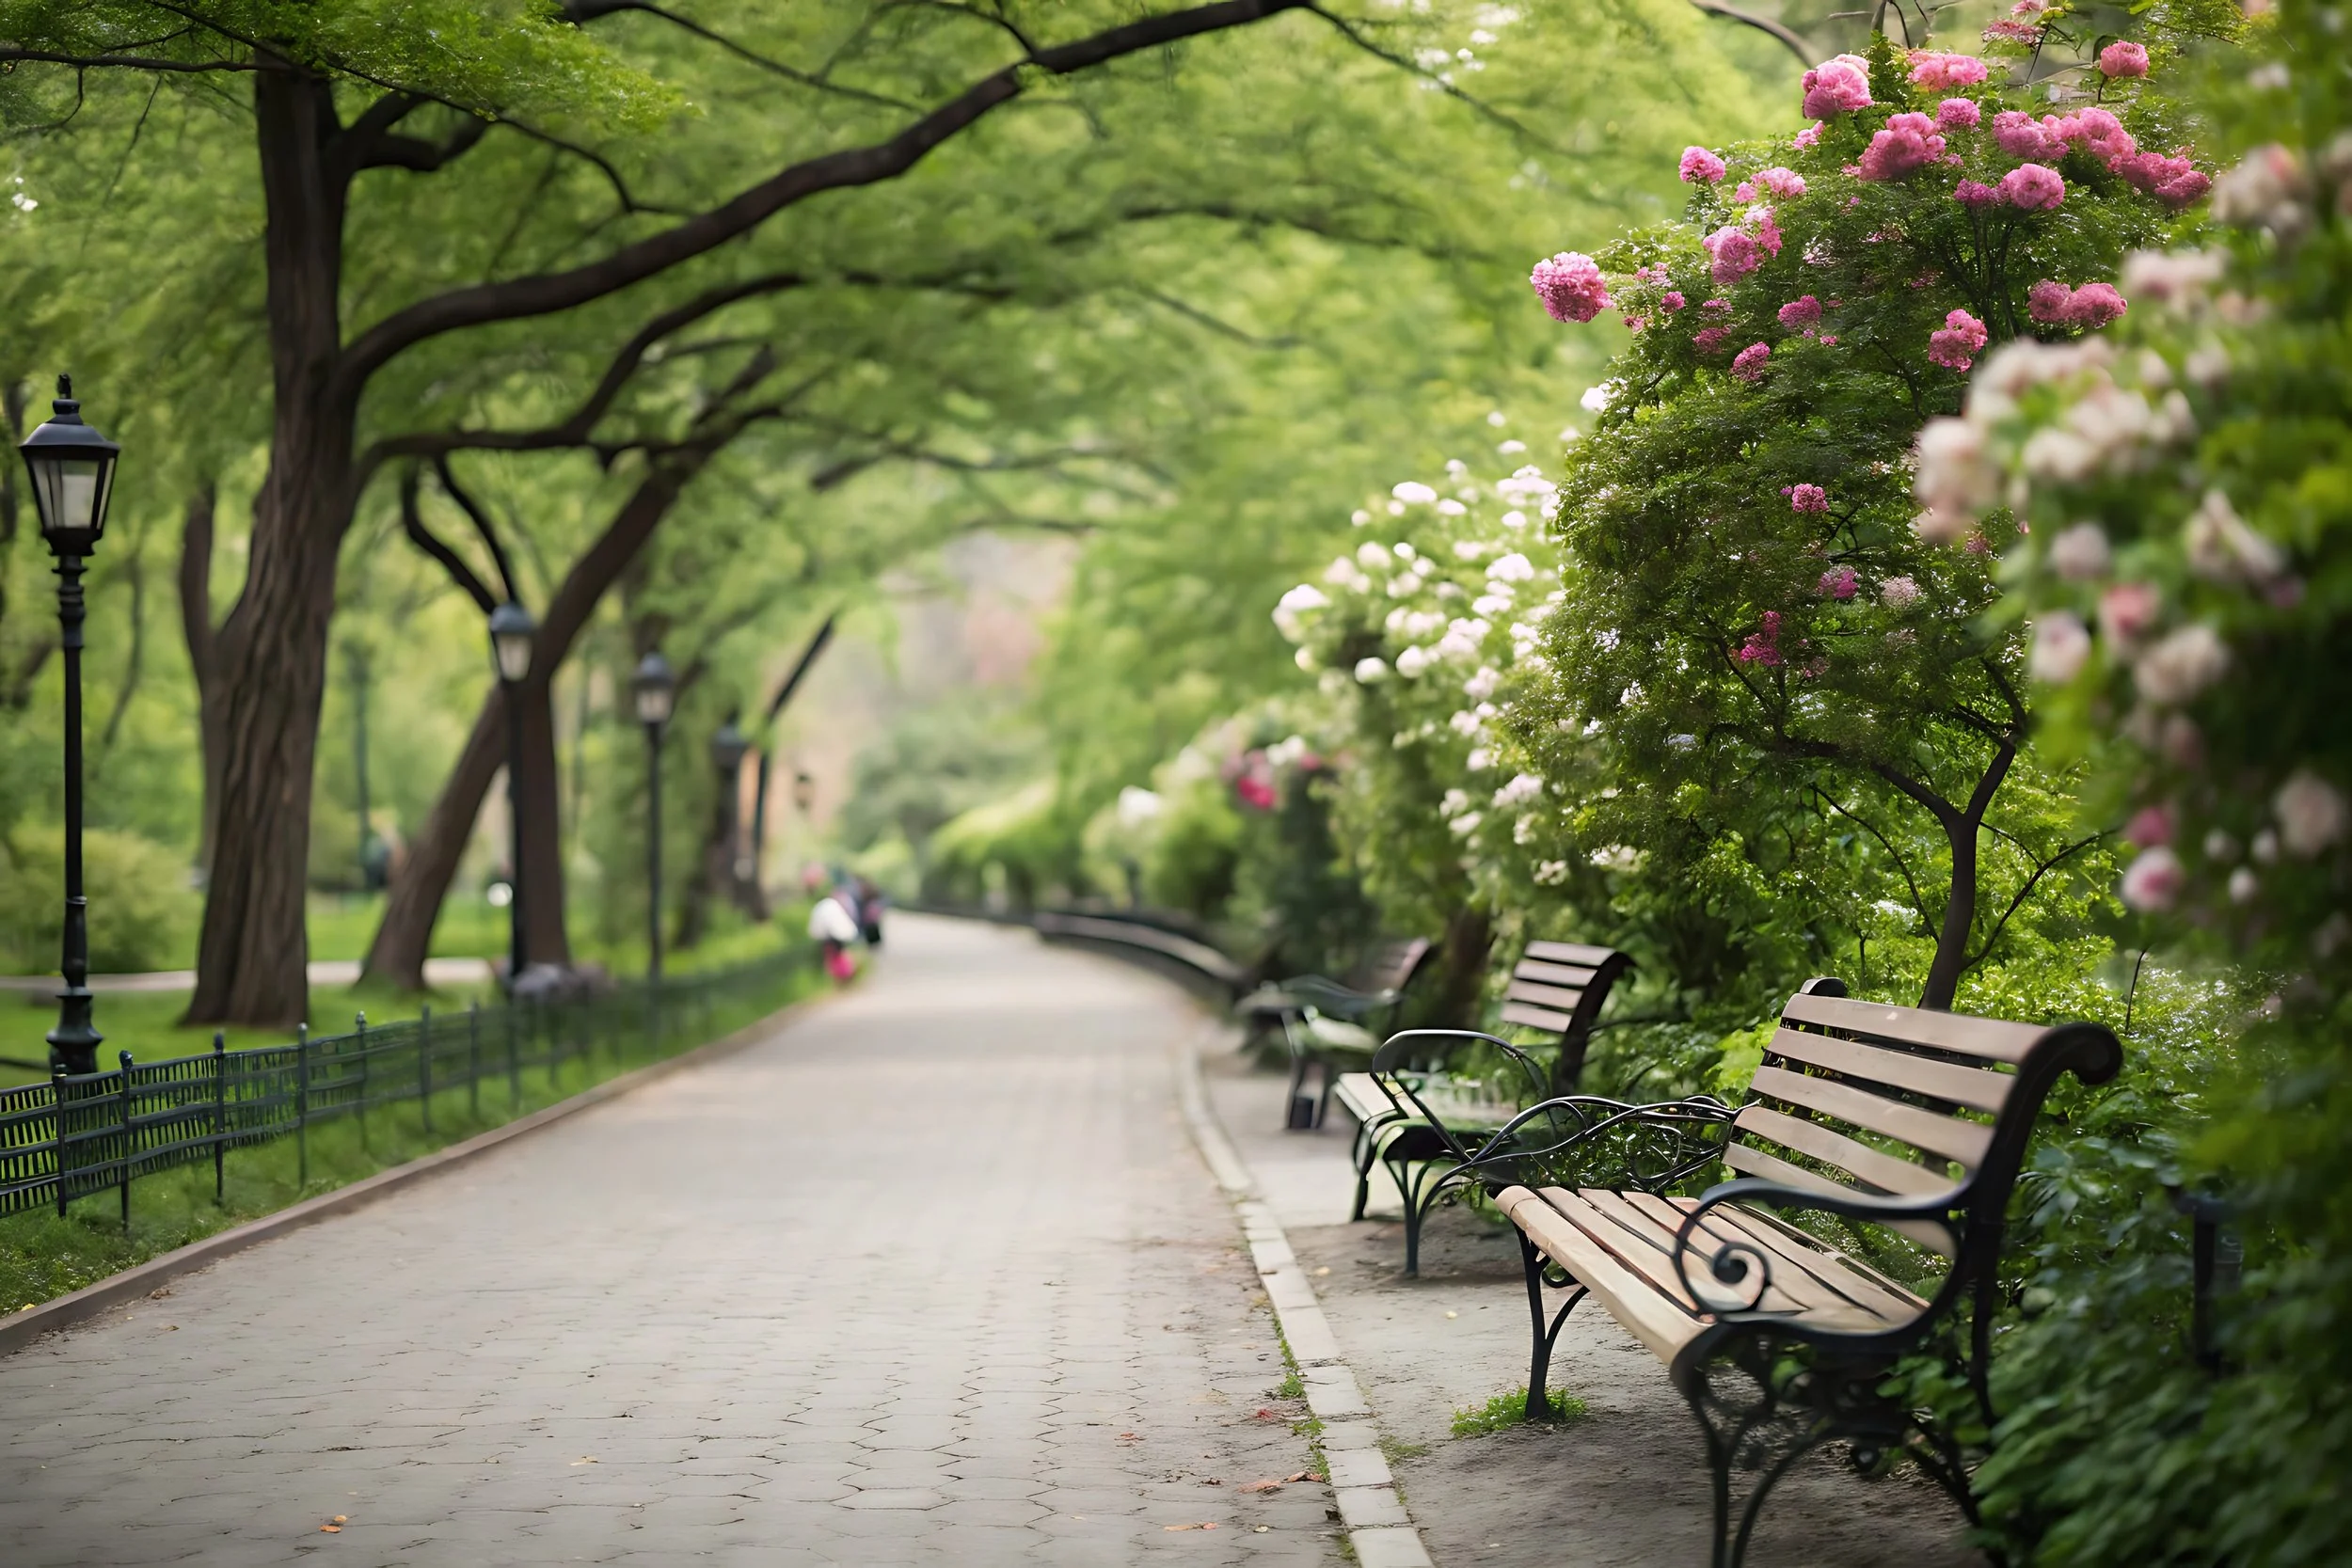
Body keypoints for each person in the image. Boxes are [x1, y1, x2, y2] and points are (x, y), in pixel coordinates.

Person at [807, 887, 861, 983]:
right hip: (837, 936)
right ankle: (846, 974)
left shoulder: (820, 907)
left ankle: (838, 976)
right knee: (840, 954)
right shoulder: (833, 905)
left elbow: (815, 927)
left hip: (826, 938)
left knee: (831, 957)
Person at [852, 875, 886, 948]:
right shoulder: (870, 888)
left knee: (871, 927)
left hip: (870, 911)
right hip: (872, 911)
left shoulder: (866, 889)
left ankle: (873, 942)